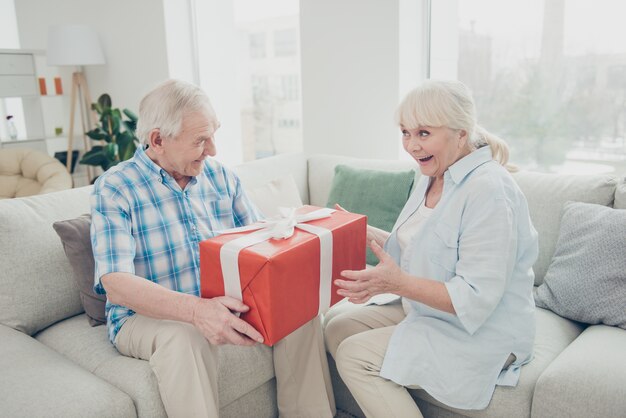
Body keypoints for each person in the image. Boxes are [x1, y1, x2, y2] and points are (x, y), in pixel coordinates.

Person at [91, 79, 335, 418]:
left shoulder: (221, 178)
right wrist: (196, 311)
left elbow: (262, 245)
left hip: (222, 301)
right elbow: (116, 284)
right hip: (145, 316)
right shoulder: (116, 188)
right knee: (186, 337)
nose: (213, 150)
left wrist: (305, 227)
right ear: (158, 140)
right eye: (201, 140)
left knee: (299, 311)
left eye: (213, 135)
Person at [324, 80, 538, 416]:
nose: (410, 145)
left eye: (423, 133)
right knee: (337, 328)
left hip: (483, 328)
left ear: (461, 134)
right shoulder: (431, 173)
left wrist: (395, 283)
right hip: (428, 310)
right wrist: (360, 231)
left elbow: (475, 297)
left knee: (355, 356)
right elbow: (413, 248)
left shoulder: (489, 191)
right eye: (405, 132)